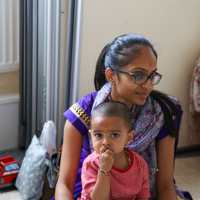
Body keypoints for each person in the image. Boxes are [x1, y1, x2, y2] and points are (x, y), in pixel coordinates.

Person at [55, 33, 191, 200]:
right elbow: (64, 185)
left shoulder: (161, 114)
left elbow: (165, 185)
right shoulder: (83, 113)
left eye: (152, 75)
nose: (148, 86)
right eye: (139, 76)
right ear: (111, 76)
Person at [78, 101, 150, 200]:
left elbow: (143, 195)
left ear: (128, 138)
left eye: (114, 135)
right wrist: (104, 169)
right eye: (99, 135)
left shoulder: (140, 164)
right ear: (91, 137)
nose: (106, 142)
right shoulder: (91, 163)